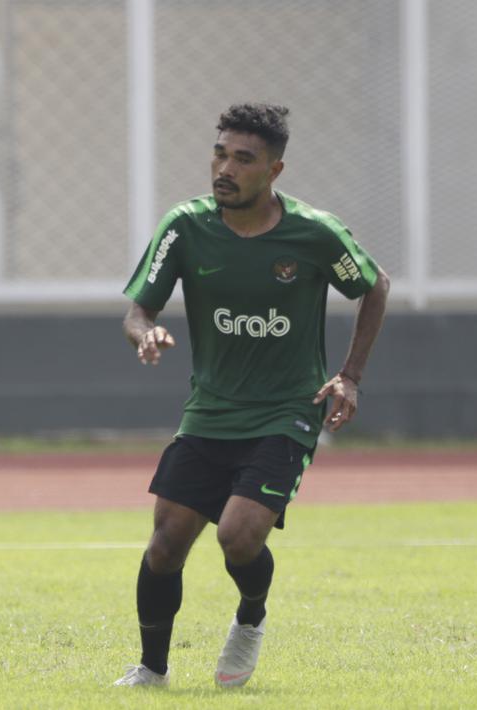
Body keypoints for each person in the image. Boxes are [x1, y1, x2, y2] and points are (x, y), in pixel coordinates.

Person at [113, 103, 390, 687]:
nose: (225, 168)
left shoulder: (312, 233)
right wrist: (146, 333)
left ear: (274, 170)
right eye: (220, 153)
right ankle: (151, 672)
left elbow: (375, 284)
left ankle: (251, 617)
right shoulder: (185, 227)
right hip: (209, 411)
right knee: (165, 544)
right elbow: (139, 309)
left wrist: (351, 376)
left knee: (236, 535)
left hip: (287, 412)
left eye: (243, 159)